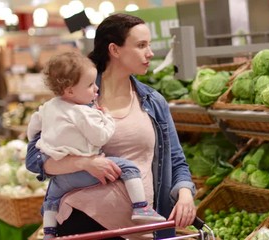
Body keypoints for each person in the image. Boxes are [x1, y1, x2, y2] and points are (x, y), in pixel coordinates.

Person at [25, 13, 196, 240]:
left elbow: (176, 160)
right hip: (83, 221)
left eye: (149, 45)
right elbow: (35, 160)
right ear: (114, 50)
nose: (150, 53)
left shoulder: (154, 102)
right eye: (141, 45)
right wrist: (85, 163)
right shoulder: (73, 97)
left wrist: (185, 194)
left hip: (140, 229)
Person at [27, 51, 166, 239]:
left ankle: (49, 232)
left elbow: (33, 128)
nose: (96, 89)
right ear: (70, 90)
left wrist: (44, 141)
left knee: (51, 196)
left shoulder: (49, 106)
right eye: (91, 85)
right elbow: (100, 137)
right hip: (85, 176)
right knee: (128, 168)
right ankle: (141, 207)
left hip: (61, 177)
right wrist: (106, 116)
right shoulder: (83, 112)